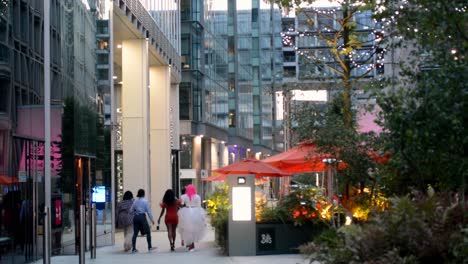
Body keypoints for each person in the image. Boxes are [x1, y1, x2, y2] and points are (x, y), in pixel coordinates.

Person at [178, 184, 206, 252]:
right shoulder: (197, 196)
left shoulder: (183, 196)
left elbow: (181, 204)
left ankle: (190, 244)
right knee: (194, 229)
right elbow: (199, 206)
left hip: (186, 212)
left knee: (187, 229)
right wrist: (202, 216)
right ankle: (191, 244)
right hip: (196, 212)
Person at [130, 189, 156, 253]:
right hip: (142, 217)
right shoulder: (145, 201)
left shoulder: (135, 201)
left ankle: (133, 248)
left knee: (135, 233)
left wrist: (135, 213)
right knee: (148, 232)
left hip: (135, 217)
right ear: (143, 194)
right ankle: (149, 247)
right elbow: (148, 212)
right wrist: (152, 219)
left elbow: (131, 210)